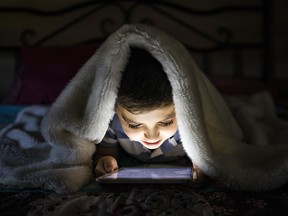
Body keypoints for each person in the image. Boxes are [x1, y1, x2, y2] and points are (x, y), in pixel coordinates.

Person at [93, 46, 204, 180]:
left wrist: (203, 164)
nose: (152, 136)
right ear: (114, 109)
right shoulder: (111, 123)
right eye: (134, 125)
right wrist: (106, 161)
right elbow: (104, 154)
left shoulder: (190, 125)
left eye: (166, 122)